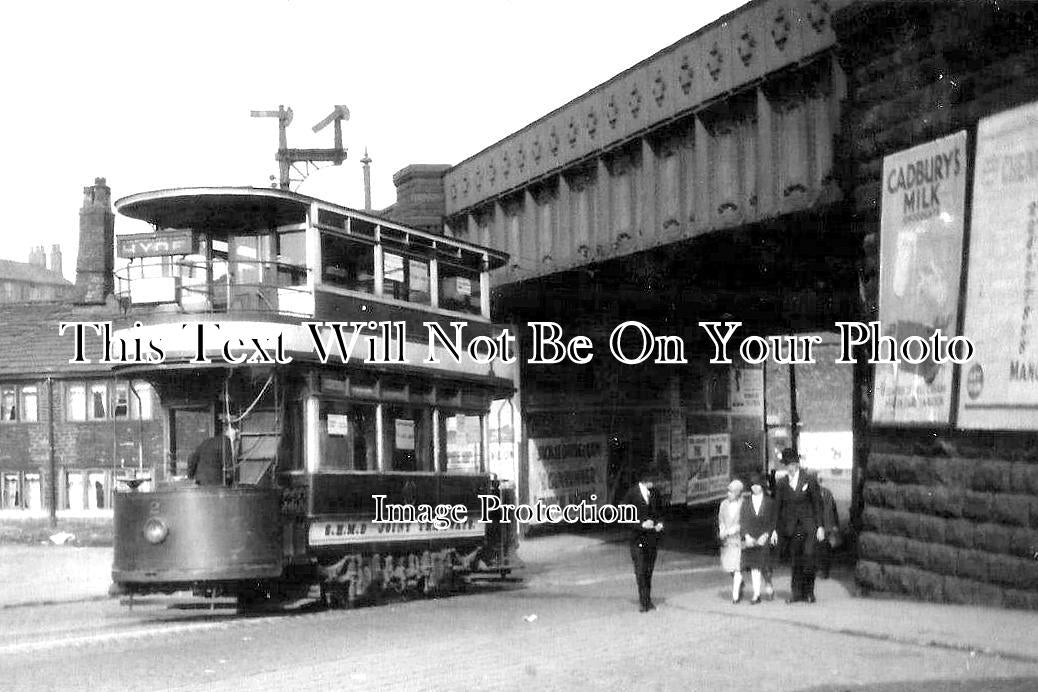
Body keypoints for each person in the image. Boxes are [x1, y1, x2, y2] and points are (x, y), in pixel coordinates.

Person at [774, 448, 825, 603]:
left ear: (797, 464)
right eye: (786, 465)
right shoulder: (782, 483)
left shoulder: (809, 480)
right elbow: (777, 507)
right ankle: (796, 593)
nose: (789, 467)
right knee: (795, 560)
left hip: (808, 526)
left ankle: (809, 592)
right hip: (792, 528)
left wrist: (820, 526)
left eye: (791, 464)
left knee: (809, 557)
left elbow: (817, 504)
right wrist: (775, 529)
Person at [623, 469, 664, 612]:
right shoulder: (632, 494)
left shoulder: (655, 493)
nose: (655, 482)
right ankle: (644, 602)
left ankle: (647, 599)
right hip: (637, 539)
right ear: (645, 480)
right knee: (640, 570)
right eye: (653, 479)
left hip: (651, 539)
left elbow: (660, 512)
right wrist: (640, 525)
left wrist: (659, 524)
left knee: (648, 571)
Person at [740, 473, 777, 604]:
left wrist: (766, 535)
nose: (755, 487)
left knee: (765, 565)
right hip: (751, 537)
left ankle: (769, 585)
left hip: (764, 536)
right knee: (754, 567)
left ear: (762, 486)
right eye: (752, 485)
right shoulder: (746, 503)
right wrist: (747, 536)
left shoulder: (770, 502)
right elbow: (743, 521)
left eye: (757, 485)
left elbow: (773, 520)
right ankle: (756, 594)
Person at [717, 479, 745, 603]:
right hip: (726, 541)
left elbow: (744, 522)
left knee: (737, 566)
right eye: (728, 491)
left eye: (732, 492)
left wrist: (732, 530)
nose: (729, 494)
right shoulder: (723, 504)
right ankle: (740, 582)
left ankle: (735, 595)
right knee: (729, 567)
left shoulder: (744, 504)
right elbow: (721, 520)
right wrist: (722, 530)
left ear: (738, 493)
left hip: (738, 539)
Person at [816, 477, 840, 579]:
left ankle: (823, 570)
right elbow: (834, 509)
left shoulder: (825, 493)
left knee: (823, 550)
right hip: (824, 526)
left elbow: (833, 509)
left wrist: (836, 524)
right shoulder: (827, 493)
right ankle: (823, 570)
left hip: (824, 526)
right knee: (823, 550)